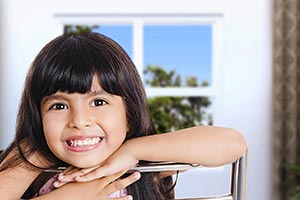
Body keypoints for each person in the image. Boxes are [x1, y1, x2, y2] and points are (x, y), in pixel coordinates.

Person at [0, 32, 247, 200]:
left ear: (129, 113)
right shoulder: (33, 164)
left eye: (98, 102)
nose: (79, 120)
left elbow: (232, 144)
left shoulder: (134, 170)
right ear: (38, 116)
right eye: (59, 106)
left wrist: (132, 152)